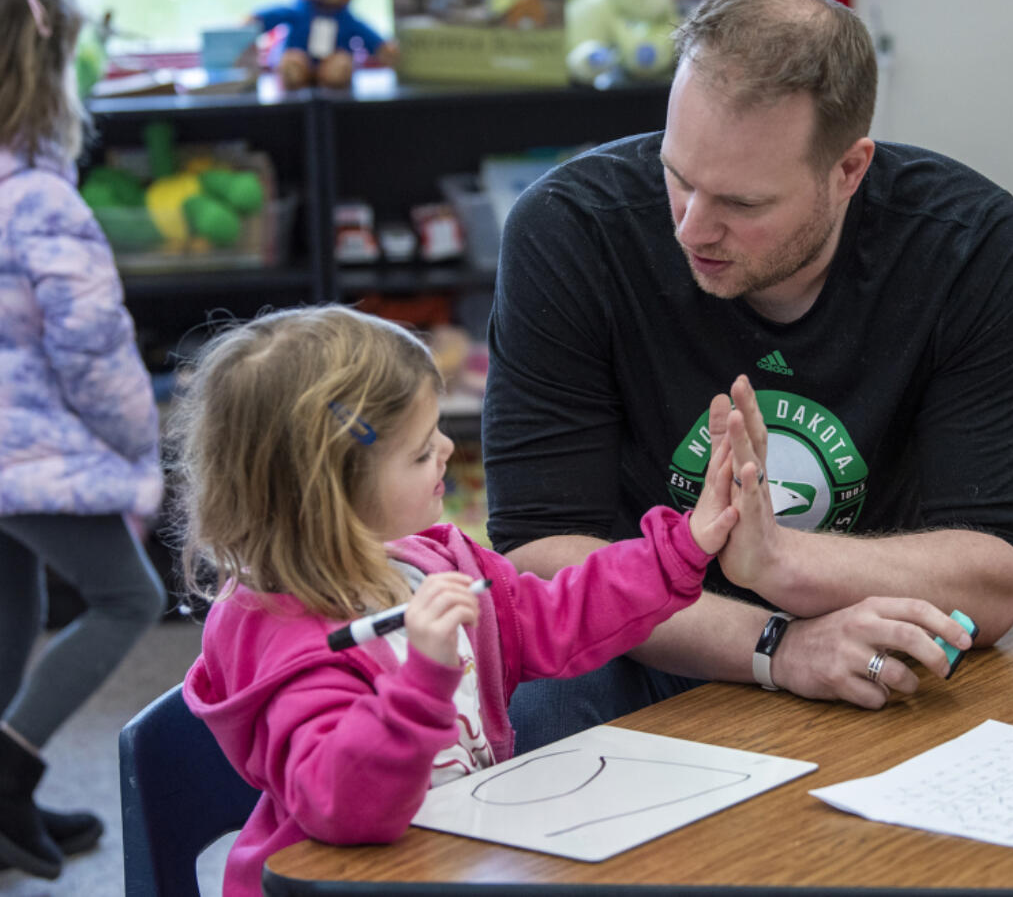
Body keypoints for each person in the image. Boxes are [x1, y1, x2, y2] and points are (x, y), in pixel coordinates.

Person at [482, 0, 1013, 752]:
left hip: (862, 628)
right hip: (630, 637)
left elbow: (994, 575)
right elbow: (539, 557)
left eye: (744, 205)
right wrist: (775, 647)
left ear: (849, 170)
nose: (691, 228)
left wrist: (783, 563)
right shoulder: (571, 230)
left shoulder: (972, 249)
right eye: (677, 176)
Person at [173, 304, 775, 897]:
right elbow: (343, 810)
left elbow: (560, 615)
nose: (444, 450)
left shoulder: (427, 559)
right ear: (326, 492)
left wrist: (684, 544)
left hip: (449, 859)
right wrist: (420, 683)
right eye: (417, 452)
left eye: (435, 428)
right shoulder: (286, 639)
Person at [0, 0, 166, 880]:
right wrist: (140, 441)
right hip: (28, 453)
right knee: (126, 597)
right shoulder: (42, 204)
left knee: (10, 608)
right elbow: (95, 352)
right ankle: (8, 768)